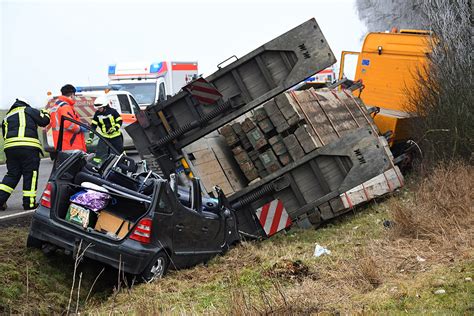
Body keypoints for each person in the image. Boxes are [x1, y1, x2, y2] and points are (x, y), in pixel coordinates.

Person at [0, 98, 50, 211]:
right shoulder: (28, 110)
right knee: (30, 174)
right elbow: (44, 121)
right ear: (26, 103)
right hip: (28, 148)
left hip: (10, 149)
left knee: (12, 175)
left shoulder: (7, 116)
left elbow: (5, 135)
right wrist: (46, 112)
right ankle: (29, 203)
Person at [50, 84, 86, 152]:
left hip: (61, 143)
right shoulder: (65, 107)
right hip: (70, 143)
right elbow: (69, 124)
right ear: (72, 94)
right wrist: (79, 128)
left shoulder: (56, 106)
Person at [87, 95, 124, 162]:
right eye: (97, 108)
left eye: (100, 108)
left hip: (116, 137)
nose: (99, 109)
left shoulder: (113, 112)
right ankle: (97, 168)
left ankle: (123, 167)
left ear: (105, 106)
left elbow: (119, 121)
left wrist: (115, 128)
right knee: (99, 153)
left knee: (119, 154)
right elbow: (93, 126)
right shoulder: (97, 114)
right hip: (104, 137)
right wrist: (90, 137)